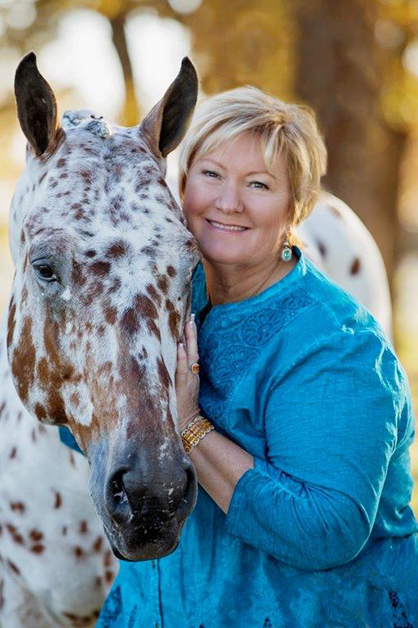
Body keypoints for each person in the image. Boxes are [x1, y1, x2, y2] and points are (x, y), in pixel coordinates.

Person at [87, 86, 418, 627]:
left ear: (295, 206)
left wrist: (189, 424)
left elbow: (325, 530)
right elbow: (79, 431)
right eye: (211, 175)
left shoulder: (335, 347)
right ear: (182, 185)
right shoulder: (163, 301)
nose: (229, 201)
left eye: (259, 185)